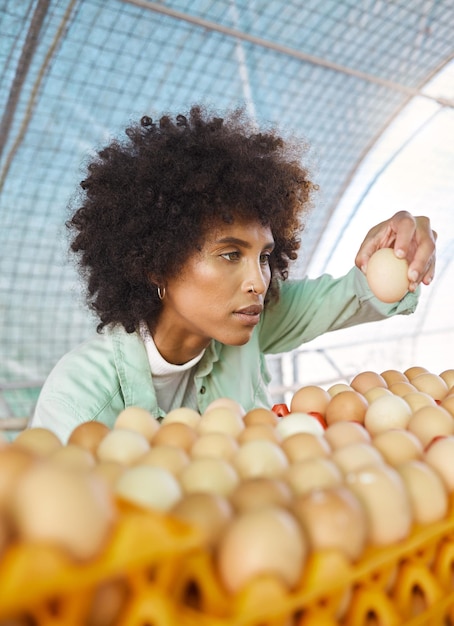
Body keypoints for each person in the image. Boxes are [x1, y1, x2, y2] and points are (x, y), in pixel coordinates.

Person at [30, 105, 437, 443]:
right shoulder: (79, 398)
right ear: (156, 263)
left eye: (263, 256)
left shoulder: (250, 321)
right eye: (229, 255)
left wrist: (401, 250)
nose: (259, 282)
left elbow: (358, 294)